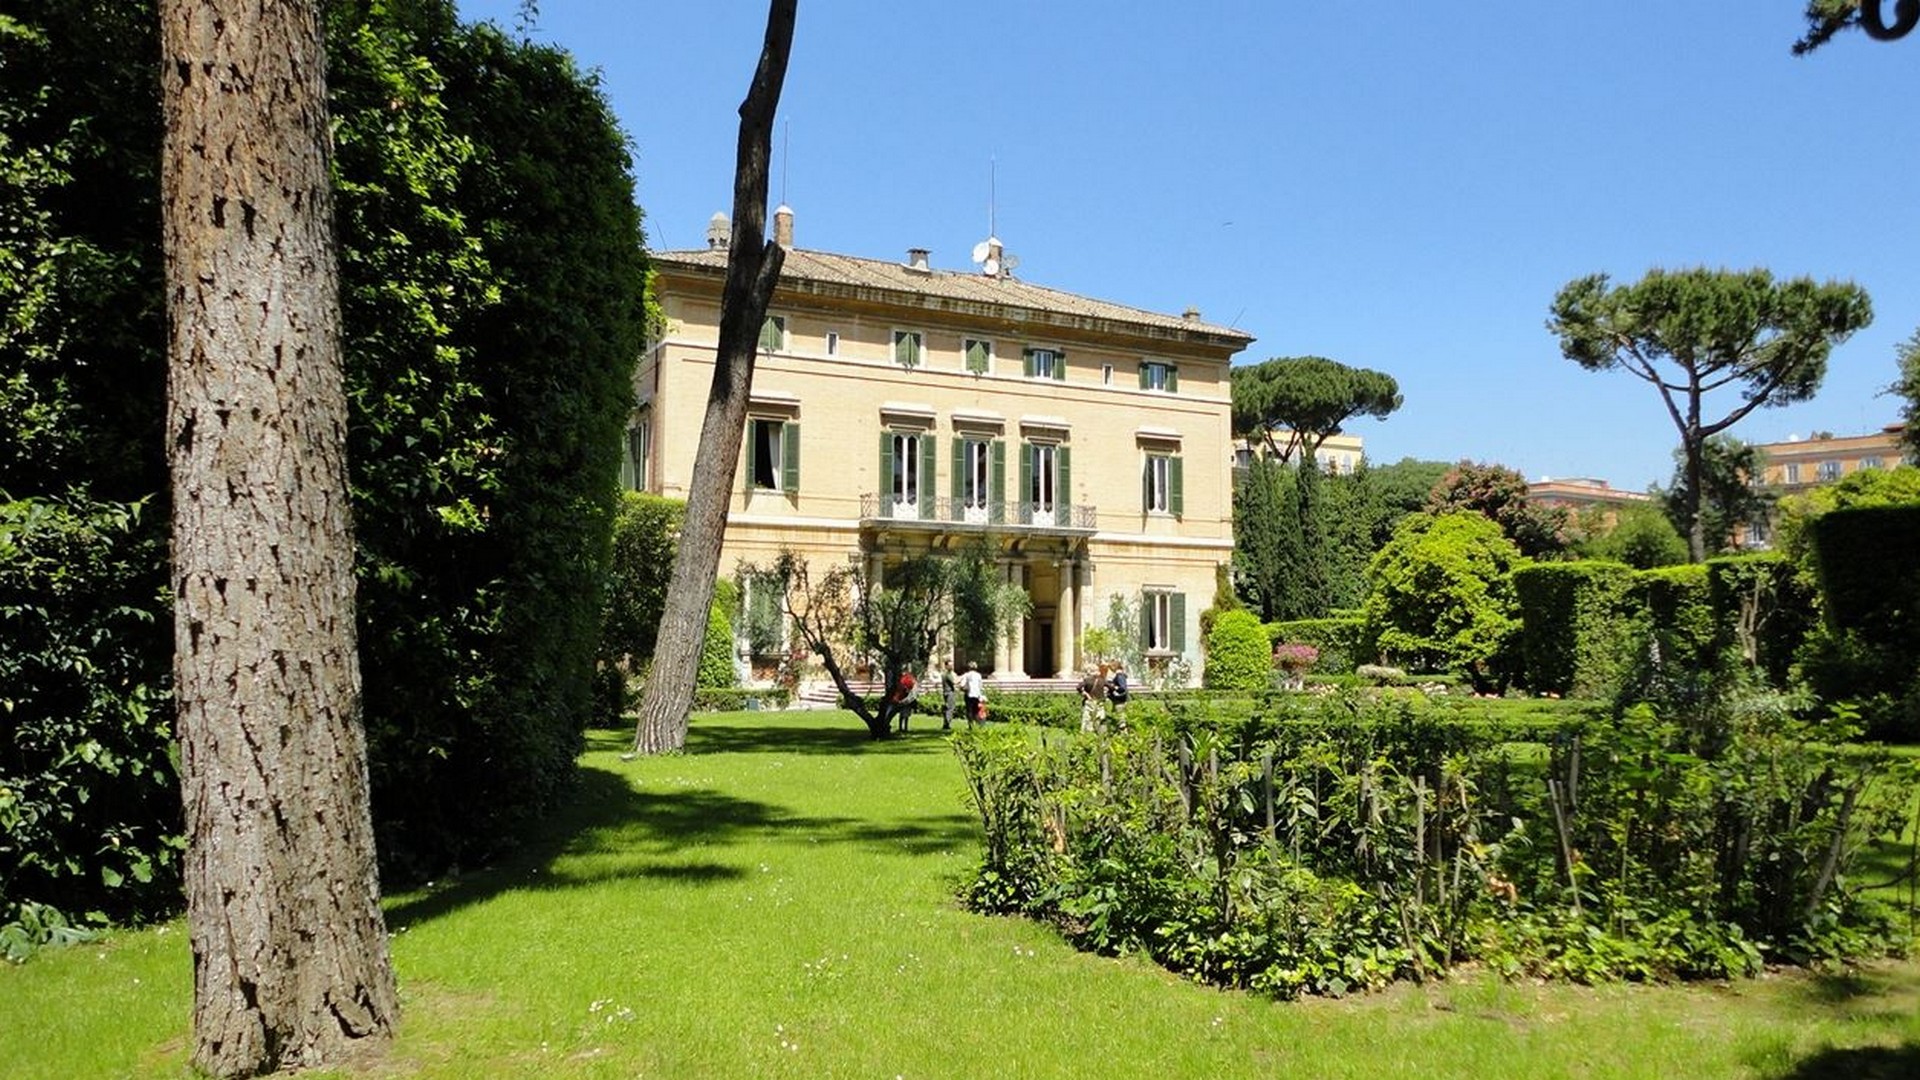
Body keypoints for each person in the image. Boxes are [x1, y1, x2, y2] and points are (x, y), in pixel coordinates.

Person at [1077, 664, 1107, 733]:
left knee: (1087, 718)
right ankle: (1101, 733)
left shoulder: (1087, 680)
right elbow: (1111, 687)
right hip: (1100, 702)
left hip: (1089, 701)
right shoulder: (1102, 680)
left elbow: (1078, 687)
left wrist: (1085, 693)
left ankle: (1085, 733)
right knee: (1100, 717)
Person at [891, 669, 917, 733]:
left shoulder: (904, 679)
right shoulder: (906, 679)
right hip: (905, 699)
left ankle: (903, 727)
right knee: (905, 715)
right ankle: (904, 727)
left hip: (904, 699)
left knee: (903, 715)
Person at [961, 661, 985, 727]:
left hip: (969, 695)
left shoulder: (966, 675)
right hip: (977, 695)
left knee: (969, 710)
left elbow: (962, 685)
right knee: (976, 710)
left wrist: (964, 689)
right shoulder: (978, 675)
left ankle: (970, 724)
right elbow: (980, 686)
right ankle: (978, 724)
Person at [1106, 660, 1129, 725]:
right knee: (1119, 716)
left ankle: (1123, 732)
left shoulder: (1119, 676)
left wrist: (1114, 687)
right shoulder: (1120, 675)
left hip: (1120, 700)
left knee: (1120, 717)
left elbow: (1122, 688)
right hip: (1119, 699)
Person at [939, 662, 958, 731]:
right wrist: (962, 678)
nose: (952, 667)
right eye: (950, 665)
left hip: (946, 692)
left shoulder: (944, 674)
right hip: (949, 692)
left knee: (947, 708)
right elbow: (954, 682)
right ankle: (947, 724)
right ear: (946, 666)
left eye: (952, 665)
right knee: (950, 708)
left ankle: (946, 723)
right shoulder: (948, 674)